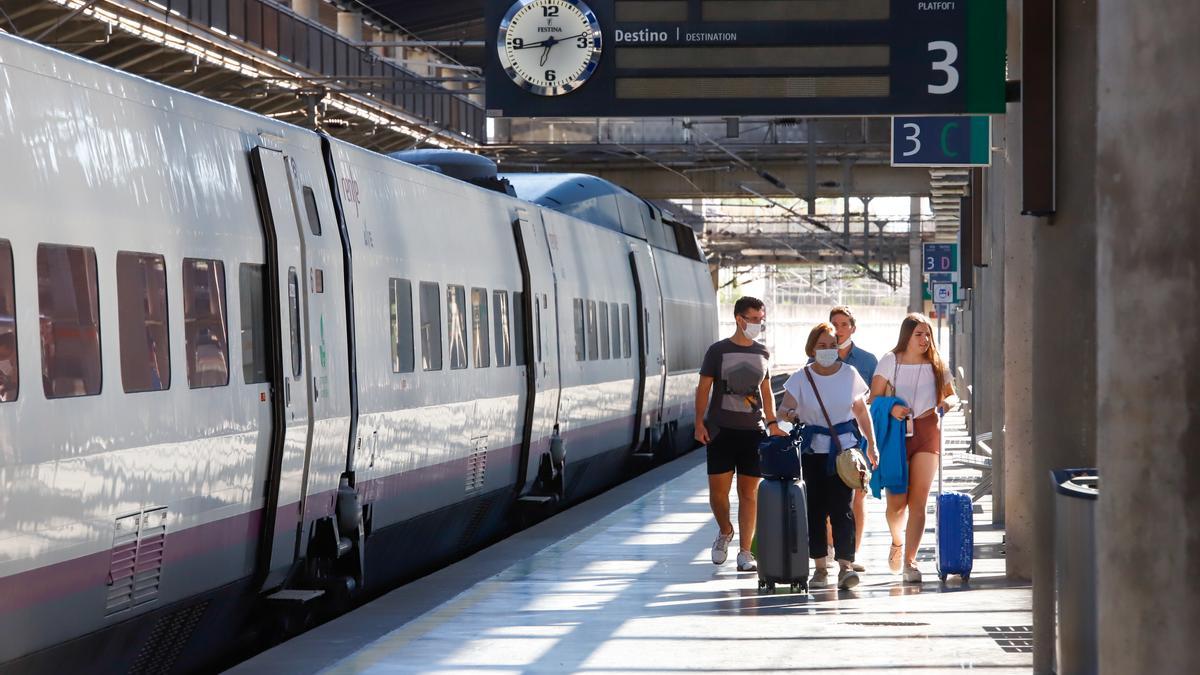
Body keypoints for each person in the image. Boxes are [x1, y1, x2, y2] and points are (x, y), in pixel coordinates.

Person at [779, 322, 878, 590]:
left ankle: (845, 566)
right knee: (815, 509)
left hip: (844, 454)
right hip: (813, 452)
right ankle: (820, 567)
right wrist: (791, 414)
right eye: (822, 346)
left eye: (832, 346)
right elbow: (784, 409)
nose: (827, 350)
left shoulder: (850, 374)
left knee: (843, 509)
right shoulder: (801, 377)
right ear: (812, 348)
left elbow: (861, 411)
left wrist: (872, 444)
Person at [695, 296, 785, 572]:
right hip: (721, 430)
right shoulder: (717, 351)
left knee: (750, 493)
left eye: (761, 319)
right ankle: (725, 531)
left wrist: (772, 423)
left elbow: (766, 391)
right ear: (739, 319)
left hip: (753, 431)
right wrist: (700, 422)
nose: (759, 324)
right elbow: (703, 389)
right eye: (754, 319)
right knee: (718, 494)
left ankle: (745, 552)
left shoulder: (763, 352)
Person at [869, 313, 958, 584]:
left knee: (918, 502)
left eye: (927, 334)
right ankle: (897, 541)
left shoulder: (937, 363)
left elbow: (952, 394)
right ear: (906, 336)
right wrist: (892, 407)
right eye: (918, 334)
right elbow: (872, 399)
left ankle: (910, 560)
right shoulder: (889, 360)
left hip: (928, 431)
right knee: (897, 504)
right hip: (896, 435)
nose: (924, 339)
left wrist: (947, 404)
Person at [827, 306, 878, 572]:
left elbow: (877, 398)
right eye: (834, 324)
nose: (839, 329)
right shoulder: (820, 356)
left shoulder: (868, 361)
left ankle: (853, 552)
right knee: (828, 496)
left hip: (856, 438)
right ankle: (832, 549)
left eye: (844, 324)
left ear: (853, 328)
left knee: (858, 495)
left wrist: (873, 441)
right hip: (827, 437)